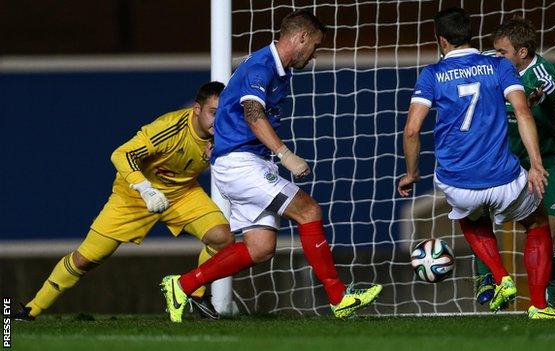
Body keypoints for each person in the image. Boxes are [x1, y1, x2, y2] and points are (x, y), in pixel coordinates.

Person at [160, 10, 382, 322]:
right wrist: (285, 153)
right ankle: (339, 297)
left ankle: (182, 286)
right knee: (309, 210)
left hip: (242, 162)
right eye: (315, 46)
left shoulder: (278, 70)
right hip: (241, 164)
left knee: (260, 248)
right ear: (301, 37)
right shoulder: (261, 66)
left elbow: (233, 110)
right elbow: (252, 112)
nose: (314, 55)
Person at [397, 8, 555, 319]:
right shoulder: (498, 66)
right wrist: (534, 164)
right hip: (504, 175)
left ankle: (498, 276)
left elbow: (411, 130)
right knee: (538, 225)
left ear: (441, 40)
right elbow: (523, 113)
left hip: (457, 180)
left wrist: (412, 173)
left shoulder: (432, 74)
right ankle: (541, 307)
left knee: (471, 217)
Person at [13, 82, 230, 321]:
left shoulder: (226, 132)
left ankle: (195, 294)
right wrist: (146, 189)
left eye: (223, 112)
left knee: (222, 238)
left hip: (182, 193)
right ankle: (31, 310)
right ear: (197, 109)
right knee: (86, 259)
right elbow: (121, 154)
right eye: (213, 112)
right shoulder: (169, 129)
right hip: (134, 196)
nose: (218, 120)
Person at [473, 17, 555, 311]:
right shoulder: (495, 61)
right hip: (506, 161)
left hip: (544, 162)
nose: (497, 56)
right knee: (477, 211)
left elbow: (535, 93)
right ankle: (488, 282)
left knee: (549, 232)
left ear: (523, 53)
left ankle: (552, 298)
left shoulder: (542, 74)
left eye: (503, 52)